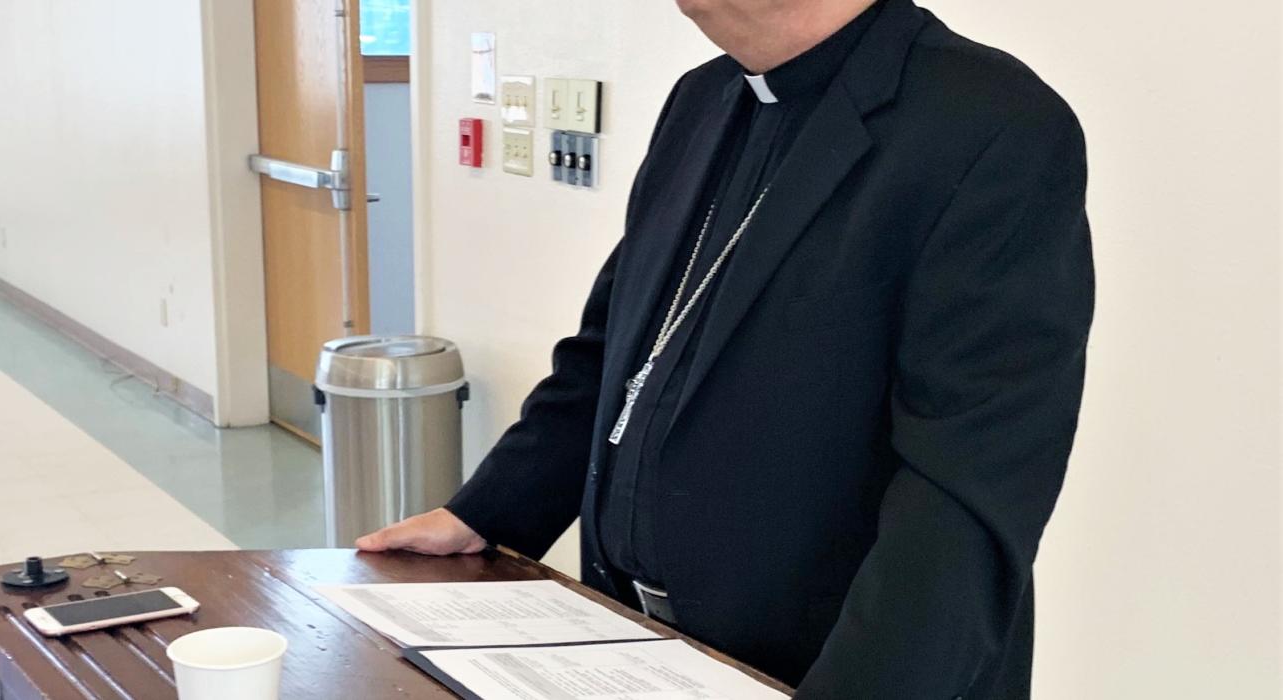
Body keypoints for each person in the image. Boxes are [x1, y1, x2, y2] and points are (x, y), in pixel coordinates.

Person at [356, 0, 1094, 697]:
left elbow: (965, 488)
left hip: (829, 669)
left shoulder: (992, 123)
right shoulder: (701, 99)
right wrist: (486, 513)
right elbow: (615, 354)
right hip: (639, 647)